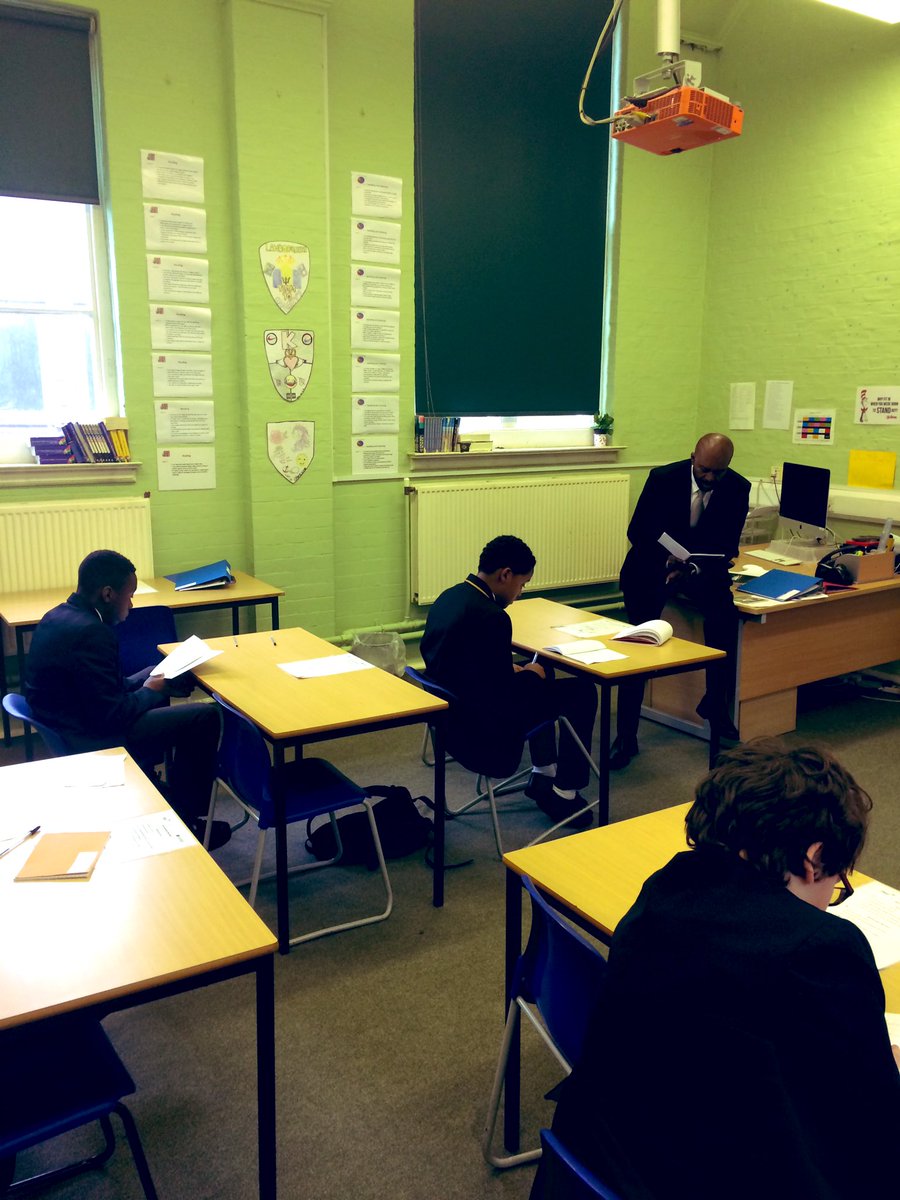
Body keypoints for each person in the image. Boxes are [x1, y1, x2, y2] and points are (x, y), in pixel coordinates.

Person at [540, 740, 900, 1200]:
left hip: (601, 1158)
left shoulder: (665, 887)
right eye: (837, 882)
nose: (830, 895)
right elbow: (871, 1128)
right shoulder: (821, 950)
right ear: (814, 858)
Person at [25, 549, 228, 848]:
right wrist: (151, 689)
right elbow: (112, 715)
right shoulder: (93, 633)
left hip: (69, 720)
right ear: (108, 594)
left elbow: (99, 686)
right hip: (90, 736)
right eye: (129, 595)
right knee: (205, 716)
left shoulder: (58, 616)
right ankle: (188, 819)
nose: (131, 604)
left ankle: (163, 794)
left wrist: (149, 679)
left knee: (152, 677)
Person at [420, 535, 598, 828]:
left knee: (535, 669)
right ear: (505, 575)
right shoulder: (493, 617)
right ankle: (565, 792)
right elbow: (504, 699)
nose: (520, 592)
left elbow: (466, 663)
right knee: (581, 691)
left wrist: (510, 670)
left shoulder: (449, 597)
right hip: (486, 735)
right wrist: (530, 675)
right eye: (522, 583)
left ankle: (544, 771)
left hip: (451, 721)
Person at [611, 432, 750, 770]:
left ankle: (716, 709)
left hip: (700, 570)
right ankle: (625, 737)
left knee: (725, 624)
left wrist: (693, 567)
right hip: (651, 567)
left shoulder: (736, 487)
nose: (709, 479)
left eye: (718, 473)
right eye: (704, 470)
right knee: (639, 647)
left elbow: (728, 546)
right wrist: (668, 563)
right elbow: (638, 532)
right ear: (692, 458)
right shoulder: (663, 478)